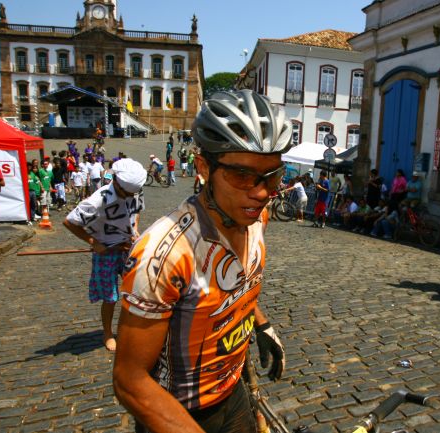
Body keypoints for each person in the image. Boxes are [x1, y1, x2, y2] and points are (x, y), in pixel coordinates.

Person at [114, 89, 288, 433]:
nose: (262, 192)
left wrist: (261, 323)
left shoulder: (256, 218)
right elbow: (129, 381)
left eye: (273, 176)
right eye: (242, 175)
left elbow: (236, 285)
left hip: (233, 393)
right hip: (177, 411)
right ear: (203, 167)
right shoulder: (163, 255)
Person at [63, 158, 146, 352]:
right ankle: (107, 333)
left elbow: (136, 210)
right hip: (106, 252)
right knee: (110, 297)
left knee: (136, 292)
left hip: (128, 248)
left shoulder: (135, 190)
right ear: (116, 183)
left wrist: (134, 227)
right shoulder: (97, 200)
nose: (131, 196)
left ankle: (131, 329)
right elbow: (69, 222)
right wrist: (93, 242)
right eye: (127, 193)